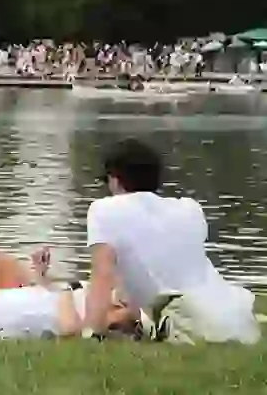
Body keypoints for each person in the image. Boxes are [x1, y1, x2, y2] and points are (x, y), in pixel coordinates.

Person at [82, 138, 260, 344]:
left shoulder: (104, 210)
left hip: (190, 324)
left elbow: (102, 275)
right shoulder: (190, 208)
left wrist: (93, 332)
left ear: (114, 180)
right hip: (236, 318)